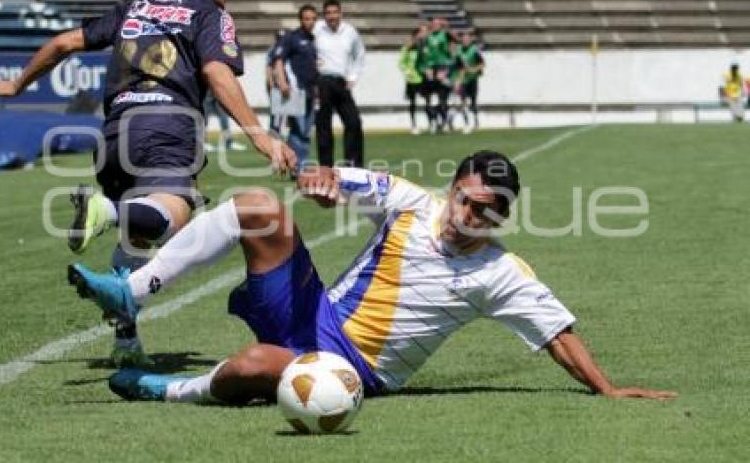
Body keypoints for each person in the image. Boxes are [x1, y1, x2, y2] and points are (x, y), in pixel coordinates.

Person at [67, 151, 677, 405]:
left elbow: (558, 333)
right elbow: (329, 176)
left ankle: (170, 389)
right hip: (314, 311)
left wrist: (608, 389)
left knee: (256, 364)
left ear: (501, 216)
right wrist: (319, 183)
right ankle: (134, 289)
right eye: (463, 198)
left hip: (358, 368)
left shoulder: (502, 273)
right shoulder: (412, 202)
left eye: (484, 209)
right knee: (258, 204)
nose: (468, 215)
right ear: (452, 190)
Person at [0, 0, 296, 366]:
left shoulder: (133, 8)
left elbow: (65, 42)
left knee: (136, 243)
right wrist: (258, 133)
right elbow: (217, 72)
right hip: (167, 125)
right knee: (174, 211)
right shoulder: (210, 13)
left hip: (115, 131)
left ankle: (126, 344)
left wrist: (17, 83)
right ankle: (107, 211)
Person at [313, 0, 365, 167]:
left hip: (341, 82)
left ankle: (354, 165)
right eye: (328, 13)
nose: (332, 16)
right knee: (324, 125)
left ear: (341, 13)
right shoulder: (317, 30)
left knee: (354, 122)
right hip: (322, 81)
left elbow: (360, 55)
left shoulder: (350, 31)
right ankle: (326, 167)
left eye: (335, 12)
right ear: (324, 15)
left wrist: (353, 77)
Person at [273, 5, 318, 168]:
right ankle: (297, 166)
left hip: (311, 91)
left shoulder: (314, 40)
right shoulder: (291, 38)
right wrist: (282, 82)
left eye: (313, 18)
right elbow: (278, 60)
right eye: (307, 18)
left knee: (306, 131)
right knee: (297, 130)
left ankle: (300, 164)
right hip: (295, 90)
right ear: (301, 19)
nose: (310, 22)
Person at [398, 26, 432, 135]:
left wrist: (428, 70)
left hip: (423, 78)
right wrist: (407, 72)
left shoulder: (425, 47)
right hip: (413, 79)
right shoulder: (408, 48)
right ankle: (414, 125)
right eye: (423, 32)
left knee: (428, 100)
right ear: (416, 35)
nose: (425, 34)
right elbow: (401, 62)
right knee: (413, 102)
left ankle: (431, 124)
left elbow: (428, 61)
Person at [423, 17, 454, 133]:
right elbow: (426, 53)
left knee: (443, 97)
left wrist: (447, 27)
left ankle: (445, 121)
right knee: (431, 98)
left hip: (443, 67)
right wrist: (427, 68)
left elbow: (454, 43)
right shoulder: (428, 37)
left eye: (438, 24)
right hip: (432, 68)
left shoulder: (445, 35)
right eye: (434, 23)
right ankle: (434, 122)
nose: (436, 25)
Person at [451, 27, 484, 133]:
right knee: (463, 101)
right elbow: (457, 66)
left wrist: (473, 69)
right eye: (464, 39)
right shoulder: (458, 51)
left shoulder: (474, 50)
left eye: (467, 39)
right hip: (463, 80)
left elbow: (482, 64)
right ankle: (467, 123)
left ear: (470, 40)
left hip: (472, 79)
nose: (465, 41)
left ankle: (475, 120)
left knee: (473, 101)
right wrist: (457, 81)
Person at [265, 29, 286, 134]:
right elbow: (268, 67)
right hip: (276, 84)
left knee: (285, 109)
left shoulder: (287, 49)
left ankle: (281, 130)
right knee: (275, 109)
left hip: (286, 84)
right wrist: (270, 82)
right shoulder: (272, 50)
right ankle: (274, 130)